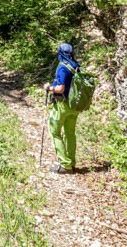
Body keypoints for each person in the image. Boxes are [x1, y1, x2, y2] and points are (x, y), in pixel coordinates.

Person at [44, 42, 80, 173]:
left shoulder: (62, 67)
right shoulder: (76, 66)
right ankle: (71, 162)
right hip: (74, 106)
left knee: (54, 132)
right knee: (70, 134)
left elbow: (60, 88)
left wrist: (49, 88)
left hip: (62, 105)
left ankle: (65, 165)